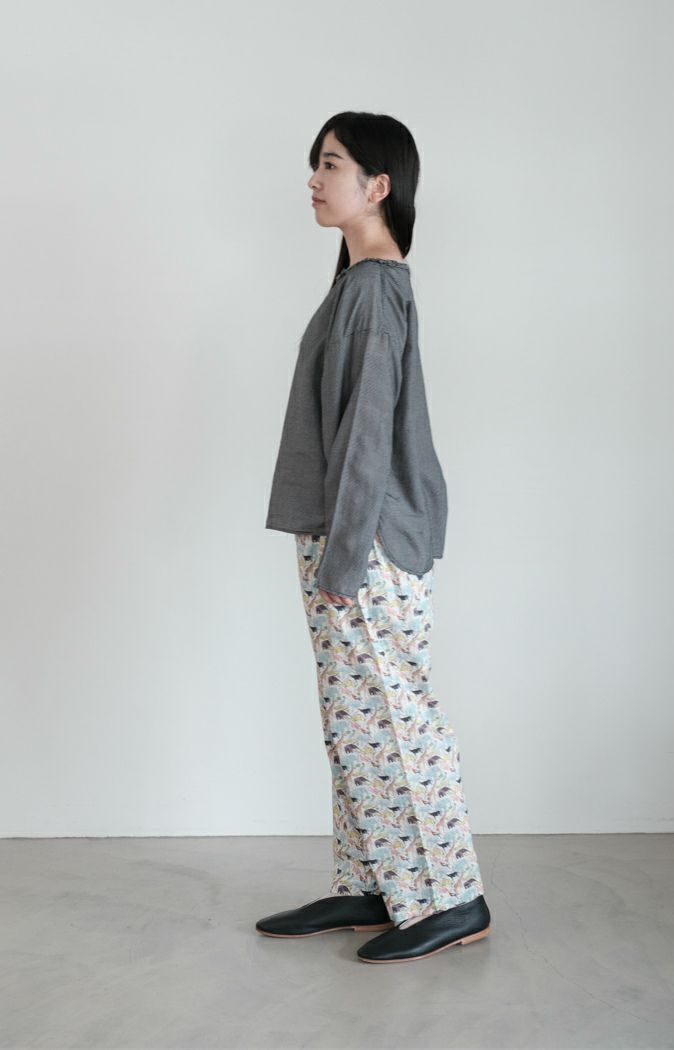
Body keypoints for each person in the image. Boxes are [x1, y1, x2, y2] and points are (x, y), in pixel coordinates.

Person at [257, 111, 492, 964]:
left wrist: (346, 557)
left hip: (365, 543)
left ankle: (453, 897)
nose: (314, 180)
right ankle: (373, 884)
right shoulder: (360, 284)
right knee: (353, 721)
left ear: (378, 185)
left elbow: (365, 437)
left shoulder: (374, 290)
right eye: (316, 164)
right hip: (345, 536)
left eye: (331, 164)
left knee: (394, 720)